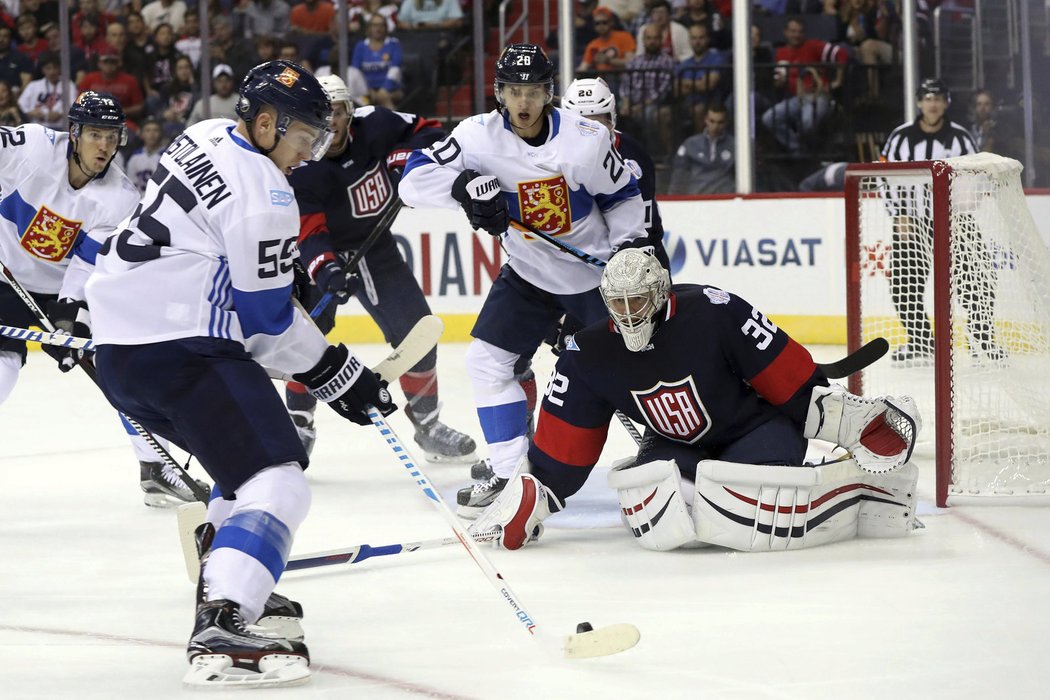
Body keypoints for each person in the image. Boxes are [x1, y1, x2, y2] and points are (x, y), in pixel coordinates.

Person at [84, 60, 396, 688]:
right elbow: (265, 325)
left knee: (238, 474)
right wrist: (340, 374)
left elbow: (210, 238)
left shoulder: (201, 134)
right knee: (279, 483)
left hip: (119, 350)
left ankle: (231, 574)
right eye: (304, 139)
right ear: (265, 122)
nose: (307, 156)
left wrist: (284, 275)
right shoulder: (270, 196)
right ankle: (222, 618)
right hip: (184, 344)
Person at [469, 248, 922, 554]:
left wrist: (843, 422)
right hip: (677, 444)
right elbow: (565, 445)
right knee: (655, 490)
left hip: (755, 429)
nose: (628, 314)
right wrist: (536, 493)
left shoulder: (714, 310)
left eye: (639, 300)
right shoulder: (589, 353)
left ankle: (851, 488)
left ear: (661, 291)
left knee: (744, 488)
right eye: (618, 303)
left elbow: (787, 381)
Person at [399, 44, 648, 515]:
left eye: (533, 91)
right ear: (499, 94)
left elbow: (623, 197)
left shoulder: (585, 139)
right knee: (486, 363)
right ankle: (509, 471)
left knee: (637, 370)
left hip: (593, 278)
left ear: (548, 93)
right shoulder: (476, 136)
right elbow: (411, 181)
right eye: (515, 91)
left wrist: (627, 254)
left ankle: (674, 449)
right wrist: (462, 188)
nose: (524, 102)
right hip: (528, 275)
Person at [0, 91, 204, 507]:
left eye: (112, 137)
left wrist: (70, 319)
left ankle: (154, 467)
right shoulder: (35, 146)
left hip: (56, 291)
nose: (105, 146)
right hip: (3, 274)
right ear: (73, 133)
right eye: (95, 134)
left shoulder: (120, 198)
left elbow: (87, 265)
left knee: (120, 366)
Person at [286, 74, 478, 463]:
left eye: (337, 111)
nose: (332, 122)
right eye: (323, 114)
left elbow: (430, 131)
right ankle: (298, 425)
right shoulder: (305, 164)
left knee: (416, 334)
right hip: (321, 256)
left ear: (349, 111)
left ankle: (428, 426)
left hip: (376, 247)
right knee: (305, 342)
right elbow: (308, 230)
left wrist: (405, 160)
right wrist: (326, 271)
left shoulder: (377, 123)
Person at [880, 78, 999, 364]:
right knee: (903, 284)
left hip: (956, 222)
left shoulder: (961, 138)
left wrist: (962, 210)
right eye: (927, 98)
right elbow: (885, 178)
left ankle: (982, 341)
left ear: (946, 102)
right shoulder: (900, 137)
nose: (932, 103)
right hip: (912, 222)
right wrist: (899, 215)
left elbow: (976, 176)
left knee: (976, 281)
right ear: (919, 102)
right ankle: (921, 342)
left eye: (938, 98)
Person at [561, 76, 667, 268]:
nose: (590, 135)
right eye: (581, 125)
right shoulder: (553, 158)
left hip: (634, 262)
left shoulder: (633, 155)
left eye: (596, 124)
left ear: (611, 119)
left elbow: (646, 226)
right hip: (577, 270)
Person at [761, 15, 847, 153]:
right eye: (793, 31)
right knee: (768, 118)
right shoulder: (780, 53)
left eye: (800, 32)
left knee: (806, 121)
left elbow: (841, 53)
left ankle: (812, 152)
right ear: (786, 32)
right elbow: (778, 84)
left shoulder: (813, 45)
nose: (796, 35)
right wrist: (780, 81)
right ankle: (798, 148)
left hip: (818, 96)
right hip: (797, 99)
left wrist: (837, 81)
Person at [668, 100, 734, 194]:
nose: (715, 126)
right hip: (697, 198)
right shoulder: (691, 144)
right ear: (705, 120)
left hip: (727, 198)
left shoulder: (735, 145)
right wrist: (673, 198)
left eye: (720, 122)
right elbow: (680, 173)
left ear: (726, 122)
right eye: (712, 121)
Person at [352, 13, 403, 109]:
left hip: (391, 90)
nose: (378, 29)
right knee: (361, 102)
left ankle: (395, 122)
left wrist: (384, 89)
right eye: (374, 25)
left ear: (386, 27)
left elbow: (395, 69)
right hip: (366, 91)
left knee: (384, 98)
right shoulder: (361, 46)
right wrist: (367, 90)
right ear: (369, 28)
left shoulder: (393, 44)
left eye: (381, 25)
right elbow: (356, 71)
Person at [124, 116, 165, 192]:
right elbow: (129, 186)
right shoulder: (135, 157)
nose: (151, 134)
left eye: (155, 130)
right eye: (148, 130)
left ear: (161, 134)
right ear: (142, 134)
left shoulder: (166, 156)